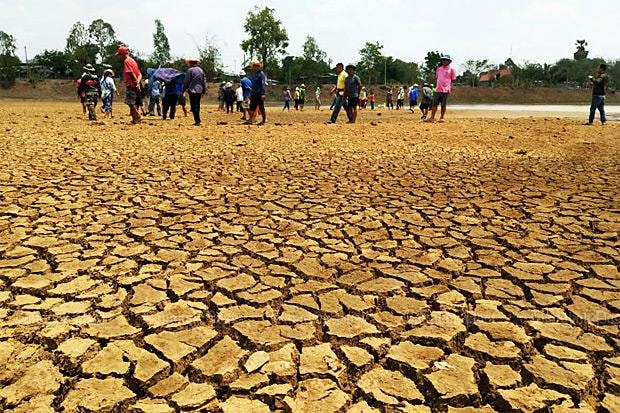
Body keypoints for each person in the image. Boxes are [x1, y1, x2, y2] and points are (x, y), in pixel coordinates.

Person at [116, 46, 142, 124]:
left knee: (130, 102)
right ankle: (136, 117)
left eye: (120, 55)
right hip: (135, 84)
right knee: (131, 102)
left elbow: (130, 73)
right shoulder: (133, 61)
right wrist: (138, 82)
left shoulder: (126, 61)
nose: (120, 57)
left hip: (131, 84)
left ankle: (136, 118)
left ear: (123, 54)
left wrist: (135, 82)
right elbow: (139, 74)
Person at [427, 54, 456, 122]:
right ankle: (432, 117)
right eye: (443, 60)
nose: (444, 61)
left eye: (445, 60)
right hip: (438, 89)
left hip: (445, 90)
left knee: (443, 104)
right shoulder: (439, 69)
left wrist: (449, 87)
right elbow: (437, 78)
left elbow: (453, 79)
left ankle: (442, 117)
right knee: (434, 104)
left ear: (449, 61)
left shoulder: (452, 69)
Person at [183, 57, 207, 126]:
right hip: (199, 90)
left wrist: (184, 89)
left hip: (192, 91)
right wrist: (204, 90)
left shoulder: (190, 70)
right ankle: (198, 120)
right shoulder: (201, 70)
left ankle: (197, 120)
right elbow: (204, 81)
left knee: (194, 106)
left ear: (190, 63)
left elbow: (187, 81)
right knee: (197, 105)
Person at [244, 60, 266, 125]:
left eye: (255, 66)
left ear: (258, 67)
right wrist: (251, 93)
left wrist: (263, 94)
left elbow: (263, 84)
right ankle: (251, 120)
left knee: (261, 107)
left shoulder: (261, 74)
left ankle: (263, 120)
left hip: (259, 93)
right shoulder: (254, 75)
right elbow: (253, 85)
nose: (254, 68)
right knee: (251, 107)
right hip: (254, 93)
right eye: (253, 66)